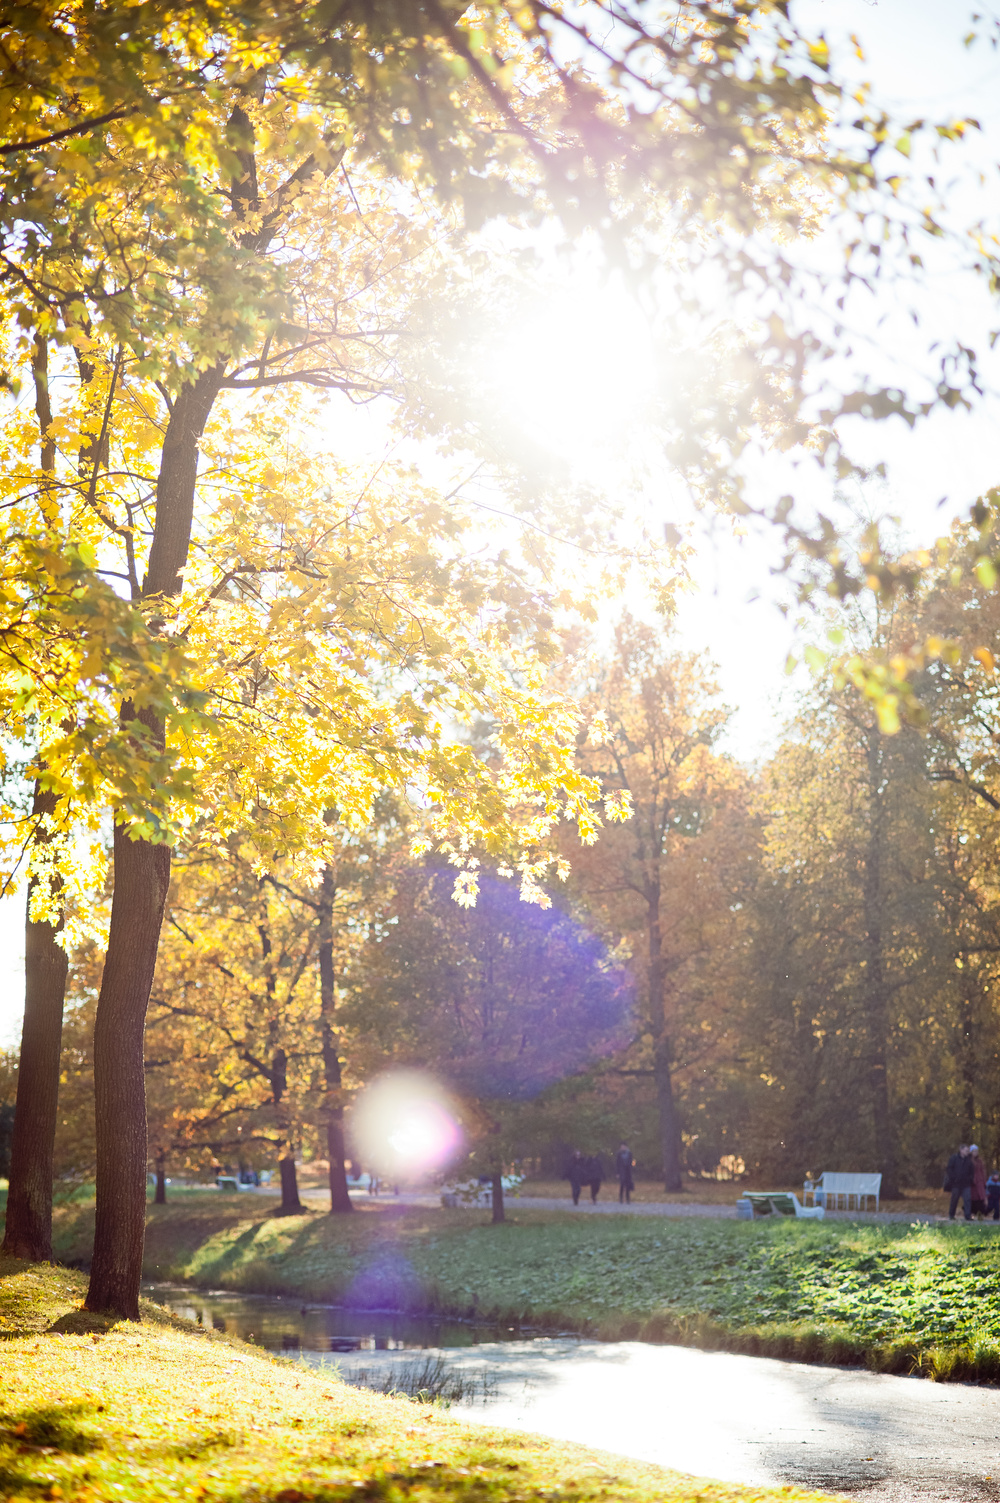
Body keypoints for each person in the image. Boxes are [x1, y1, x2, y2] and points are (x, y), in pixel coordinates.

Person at [944, 1143, 973, 1221]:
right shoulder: (954, 1158)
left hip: (966, 1183)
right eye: (966, 1150)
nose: (968, 1152)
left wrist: (969, 1179)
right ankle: (951, 1214)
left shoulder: (969, 1160)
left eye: (968, 1151)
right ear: (961, 1150)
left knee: (967, 1199)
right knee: (954, 1199)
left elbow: (971, 1171)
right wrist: (954, 1178)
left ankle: (967, 1216)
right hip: (956, 1183)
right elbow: (949, 1169)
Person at [971, 1144, 988, 1218]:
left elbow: (982, 1171)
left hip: (980, 1181)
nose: (975, 1153)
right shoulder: (969, 1160)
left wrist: (984, 1181)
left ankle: (981, 1213)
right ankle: (973, 1213)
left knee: (981, 1197)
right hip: (973, 1182)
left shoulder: (980, 1161)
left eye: (976, 1151)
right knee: (973, 1197)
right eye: (974, 1151)